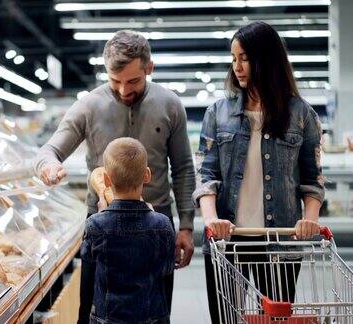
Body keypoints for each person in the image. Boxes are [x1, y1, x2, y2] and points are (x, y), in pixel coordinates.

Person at [34, 30, 196, 323]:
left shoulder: (170, 105)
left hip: (155, 224)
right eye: (114, 81)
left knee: (156, 313)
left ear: (150, 68)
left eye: (133, 81)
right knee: (94, 312)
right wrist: (48, 166)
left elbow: (183, 167)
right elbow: (49, 151)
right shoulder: (88, 105)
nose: (123, 91)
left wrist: (186, 225)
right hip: (102, 223)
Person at [191, 21, 325, 324]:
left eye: (245, 58)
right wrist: (211, 220)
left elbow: (312, 178)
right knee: (227, 319)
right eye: (234, 58)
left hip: (280, 237)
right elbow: (206, 172)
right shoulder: (218, 113)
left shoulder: (301, 115)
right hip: (228, 239)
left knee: (276, 319)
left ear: (266, 59)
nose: (237, 67)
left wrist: (310, 221)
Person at [81, 137, 175, 324]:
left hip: (108, 318)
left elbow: (88, 258)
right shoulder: (163, 225)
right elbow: (166, 268)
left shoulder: (95, 225)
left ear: (106, 179)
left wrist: (101, 215)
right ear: (147, 175)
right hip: (152, 318)